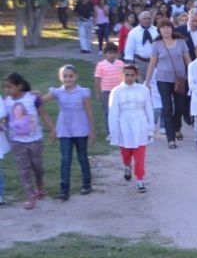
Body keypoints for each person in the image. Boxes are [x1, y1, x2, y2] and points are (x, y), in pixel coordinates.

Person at [40, 65, 95, 200]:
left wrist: (92, 131)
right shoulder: (57, 92)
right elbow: (40, 101)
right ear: (61, 77)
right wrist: (32, 95)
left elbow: (89, 112)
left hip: (80, 128)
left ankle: (86, 184)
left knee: (82, 157)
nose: (68, 79)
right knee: (65, 159)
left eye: (71, 76)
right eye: (65, 76)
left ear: (76, 76)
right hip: (65, 129)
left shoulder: (83, 93)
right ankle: (64, 189)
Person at [3, 73, 56, 209]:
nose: (6, 90)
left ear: (19, 86)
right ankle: (30, 196)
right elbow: (6, 119)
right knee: (24, 170)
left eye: (9, 87)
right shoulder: (6, 102)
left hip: (35, 141)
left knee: (38, 167)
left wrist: (52, 129)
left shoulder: (32, 98)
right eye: (5, 87)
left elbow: (44, 114)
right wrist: (2, 125)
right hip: (17, 142)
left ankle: (40, 186)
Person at [144, 20, 192, 149]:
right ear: (159, 30)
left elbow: (188, 61)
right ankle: (171, 139)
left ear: (172, 29)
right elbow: (152, 64)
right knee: (167, 108)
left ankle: (177, 128)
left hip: (180, 79)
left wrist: (193, 76)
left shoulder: (181, 42)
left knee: (180, 107)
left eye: (168, 27)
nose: (166, 30)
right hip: (163, 80)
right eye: (163, 28)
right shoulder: (156, 44)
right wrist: (147, 81)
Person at [108, 65, 154, 193]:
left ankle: (140, 179)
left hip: (140, 124)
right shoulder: (116, 91)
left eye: (132, 75)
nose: (129, 78)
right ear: (121, 76)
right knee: (126, 153)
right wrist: (114, 131)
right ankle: (127, 165)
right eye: (127, 75)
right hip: (124, 125)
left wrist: (150, 128)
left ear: (136, 76)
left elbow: (149, 109)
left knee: (140, 154)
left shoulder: (143, 90)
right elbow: (113, 112)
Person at [94, 43, 125, 132]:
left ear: (117, 54)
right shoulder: (101, 65)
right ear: (105, 54)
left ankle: (119, 129)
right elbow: (97, 79)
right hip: (106, 92)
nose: (112, 55)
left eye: (114, 53)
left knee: (120, 110)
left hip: (119, 91)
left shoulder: (121, 64)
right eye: (109, 53)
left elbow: (124, 76)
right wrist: (98, 93)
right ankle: (109, 131)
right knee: (107, 111)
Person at [124, 11, 159, 82]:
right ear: (140, 19)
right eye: (144, 19)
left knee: (154, 83)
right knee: (140, 84)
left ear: (152, 19)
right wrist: (130, 64)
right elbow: (129, 48)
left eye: (149, 18)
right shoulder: (133, 32)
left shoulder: (157, 31)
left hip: (154, 62)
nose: (147, 20)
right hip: (139, 62)